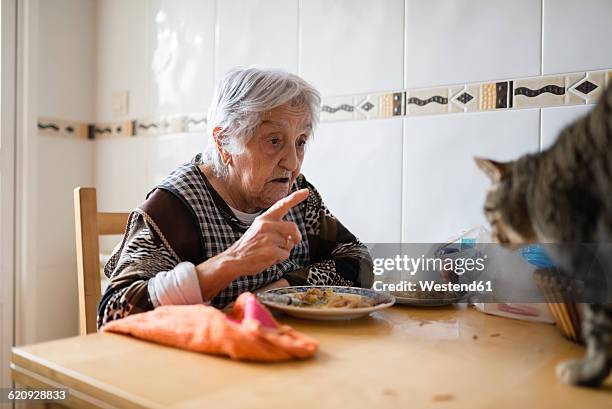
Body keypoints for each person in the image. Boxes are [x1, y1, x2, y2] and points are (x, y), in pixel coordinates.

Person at [98, 67, 374, 328]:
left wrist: (278, 292)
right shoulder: (174, 207)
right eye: (274, 141)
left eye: (300, 142)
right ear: (224, 142)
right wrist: (233, 260)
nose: (292, 163)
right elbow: (115, 313)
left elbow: (358, 260)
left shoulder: (299, 196)